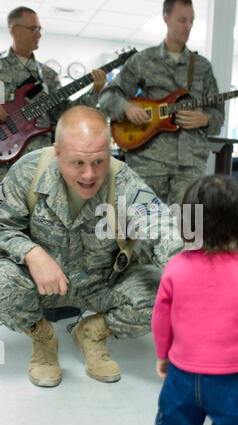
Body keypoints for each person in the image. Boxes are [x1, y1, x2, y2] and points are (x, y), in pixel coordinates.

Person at [0, 105, 182, 388]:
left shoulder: (124, 180)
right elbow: (3, 226)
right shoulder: (28, 173)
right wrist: (31, 252)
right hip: (43, 285)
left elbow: (160, 225)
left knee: (166, 297)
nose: (89, 175)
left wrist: (194, 277)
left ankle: (93, 332)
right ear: (57, 151)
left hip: (102, 284)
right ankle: (43, 338)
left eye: (99, 162)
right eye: (78, 163)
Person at [151, 175, 238, 425]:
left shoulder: (175, 266)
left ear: (188, 222)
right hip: (234, 378)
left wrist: (163, 354)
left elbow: (161, 318)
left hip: (181, 374)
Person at [99, 0, 224, 205]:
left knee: (189, 230)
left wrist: (205, 118)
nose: (188, 26)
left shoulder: (202, 67)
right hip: (147, 161)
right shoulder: (143, 60)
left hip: (190, 165)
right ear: (166, 19)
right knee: (140, 228)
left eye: (191, 21)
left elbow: (218, 115)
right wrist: (127, 107)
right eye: (182, 20)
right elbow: (108, 95)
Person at [0, 6, 106, 181]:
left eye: (40, 29)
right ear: (14, 30)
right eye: (33, 29)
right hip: (4, 165)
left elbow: (67, 113)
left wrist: (95, 91)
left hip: (39, 162)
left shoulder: (48, 74)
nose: (39, 34)